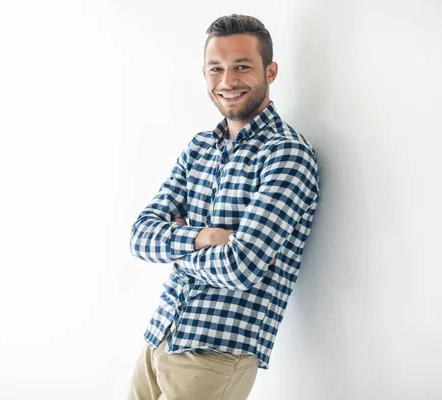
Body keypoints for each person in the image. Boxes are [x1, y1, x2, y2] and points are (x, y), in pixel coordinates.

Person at [127, 14, 320, 400]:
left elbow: (242, 265)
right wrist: (203, 238)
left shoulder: (286, 155)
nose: (227, 81)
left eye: (242, 67)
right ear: (204, 74)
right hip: (158, 337)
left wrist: (178, 252)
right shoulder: (199, 147)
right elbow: (139, 235)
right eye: (216, 69)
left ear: (271, 70)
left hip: (215, 356)